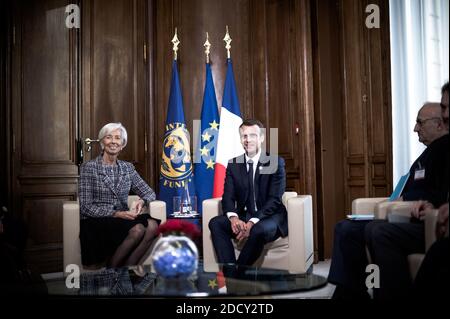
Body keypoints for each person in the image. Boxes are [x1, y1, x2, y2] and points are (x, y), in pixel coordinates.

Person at [328, 102, 449, 299]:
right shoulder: (427, 153)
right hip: (400, 212)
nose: (415, 128)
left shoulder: (443, 150)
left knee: (359, 230)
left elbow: (437, 194)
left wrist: (405, 202)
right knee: (345, 228)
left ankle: (349, 293)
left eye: (420, 122)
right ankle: (352, 291)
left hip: (417, 218)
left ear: (438, 124)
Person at [79, 122, 160, 268]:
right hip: (98, 219)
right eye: (108, 137)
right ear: (102, 142)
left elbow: (149, 192)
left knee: (153, 227)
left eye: (117, 138)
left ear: (122, 144)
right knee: (138, 230)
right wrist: (116, 214)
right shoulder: (88, 168)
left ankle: (127, 271)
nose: (113, 142)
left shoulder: (127, 168)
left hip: (123, 218)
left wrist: (142, 201)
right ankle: (112, 271)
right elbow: (85, 207)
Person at [209, 119, 287, 267]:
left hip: (270, 217)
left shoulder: (275, 162)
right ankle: (230, 271)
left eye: (253, 135)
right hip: (244, 216)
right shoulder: (234, 164)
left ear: (262, 138)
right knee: (216, 223)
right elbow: (228, 197)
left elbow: (274, 200)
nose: (248, 140)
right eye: (244, 136)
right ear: (240, 139)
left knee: (257, 230)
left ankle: (236, 277)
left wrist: (252, 222)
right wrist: (233, 218)